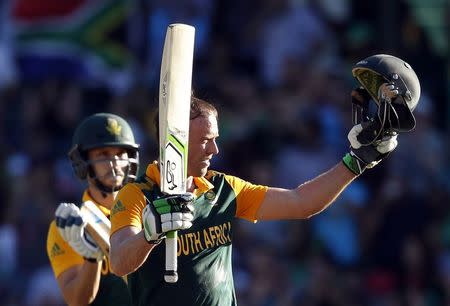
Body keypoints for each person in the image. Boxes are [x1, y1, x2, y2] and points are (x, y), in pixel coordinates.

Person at [109, 54, 421, 306]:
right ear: (173, 140)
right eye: (205, 140)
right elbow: (120, 261)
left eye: (215, 138)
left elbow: (301, 203)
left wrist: (355, 163)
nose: (215, 149)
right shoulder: (137, 194)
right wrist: (150, 235)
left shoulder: (224, 190)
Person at [46, 113, 139, 306]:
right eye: (103, 155)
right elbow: (77, 301)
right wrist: (91, 257)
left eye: (120, 154)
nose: (114, 163)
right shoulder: (68, 227)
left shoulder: (146, 209)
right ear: (82, 163)